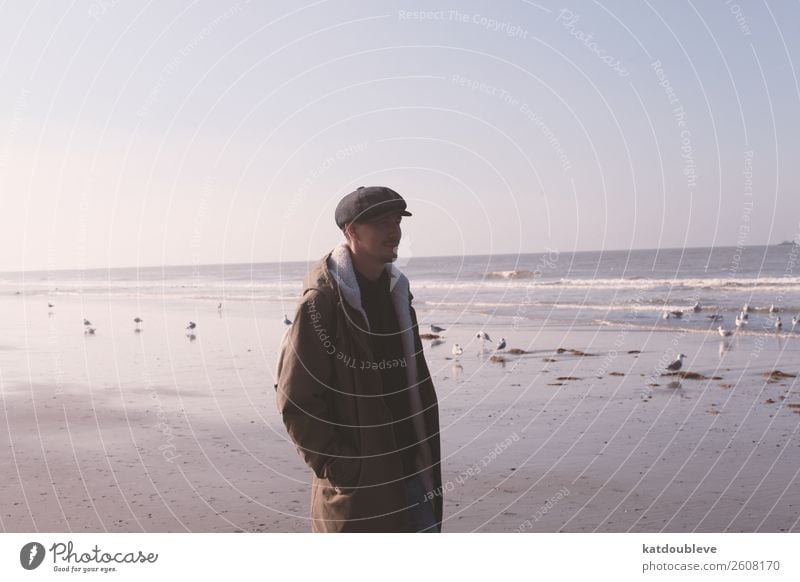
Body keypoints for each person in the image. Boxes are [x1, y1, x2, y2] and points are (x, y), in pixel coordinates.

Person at [274, 186, 443, 532]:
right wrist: (339, 468)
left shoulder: (397, 294)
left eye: (397, 221)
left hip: (415, 474)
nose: (394, 231)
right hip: (360, 488)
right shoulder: (322, 302)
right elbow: (295, 397)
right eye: (382, 223)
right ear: (351, 231)